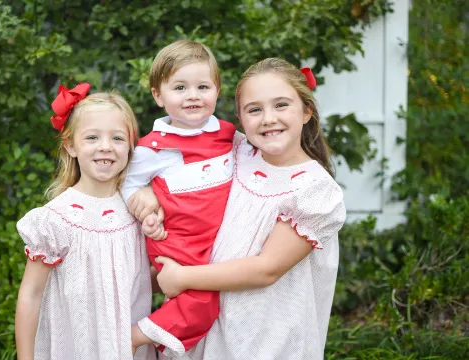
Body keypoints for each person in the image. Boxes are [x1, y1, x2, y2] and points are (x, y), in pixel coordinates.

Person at [143, 58, 347, 359]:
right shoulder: (235, 153)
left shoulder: (315, 191)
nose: (268, 118)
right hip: (204, 328)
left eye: (281, 105)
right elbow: (173, 179)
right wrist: (146, 192)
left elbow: (266, 270)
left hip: (264, 339)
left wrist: (183, 277)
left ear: (306, 111)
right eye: (254, 109)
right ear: (240, 119)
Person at [15, 84, 156, 360]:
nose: (105, 147)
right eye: (92, 137)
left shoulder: (138, 209)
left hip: (128, 347)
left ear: (131, 145)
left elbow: (143, 277)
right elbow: (30, 294)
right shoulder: (56, 219)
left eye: (117, 138)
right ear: (71, 145)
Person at [122, 40, 237, 356]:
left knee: (207, 302)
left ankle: (167, 345)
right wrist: (143, 202)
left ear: (217, 90)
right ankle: (134, 337)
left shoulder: (227, 132)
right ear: (158, 95)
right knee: (201, 301)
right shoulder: (153, 147)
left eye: (203, 86)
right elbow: (126, 186)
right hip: (176, 239)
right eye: (180, 88)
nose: (193, 96)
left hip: (211, 240)